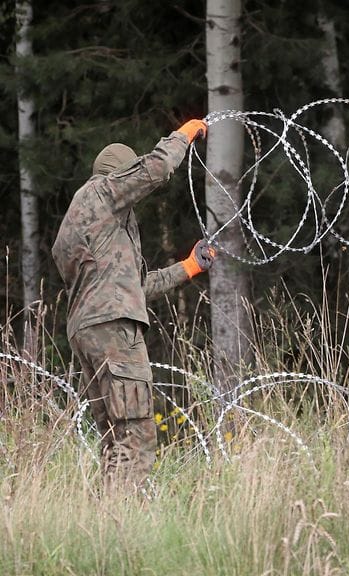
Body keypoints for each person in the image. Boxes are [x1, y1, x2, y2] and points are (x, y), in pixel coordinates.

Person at [52, 119, 215, 490]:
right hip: (113, 329)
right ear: (119, 176)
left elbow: (133, 287)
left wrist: (187, 268)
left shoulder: (87, 222)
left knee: (116, 440)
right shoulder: (102, 194)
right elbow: (156, 168)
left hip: (87, 330)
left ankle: (107, 525)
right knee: (139, 435)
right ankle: (121, 522)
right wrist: (185, 133)